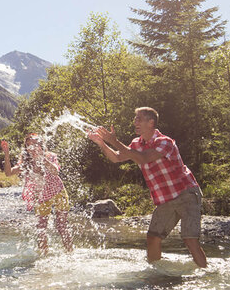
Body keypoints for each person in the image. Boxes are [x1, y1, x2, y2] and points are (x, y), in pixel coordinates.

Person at [87, 107, 207, 267]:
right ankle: (156, 273)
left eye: (139, 119)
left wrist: (114, 141)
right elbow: (116, 158)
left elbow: (143, 158)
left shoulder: (165, 142)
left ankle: (205, 274)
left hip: (186, 194)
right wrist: (101, 143)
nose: (135, 122)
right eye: (135, 119)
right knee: (153, 238)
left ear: (151, 123)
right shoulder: (136, 143)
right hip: (166, 200)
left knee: (190, 240)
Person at [2, 134, 73, 255]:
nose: (32, 147)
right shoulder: (26, 161)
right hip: (42, 197)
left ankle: (70, 253)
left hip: (58, 193)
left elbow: (55, 171)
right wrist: (6, 154)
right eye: (29, 145)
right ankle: (44, 258)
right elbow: (9, 173)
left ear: (41, 145)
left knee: (61, 227)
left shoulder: (50, 156)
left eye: (35, 144)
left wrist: (42, 159)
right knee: (41, 229)